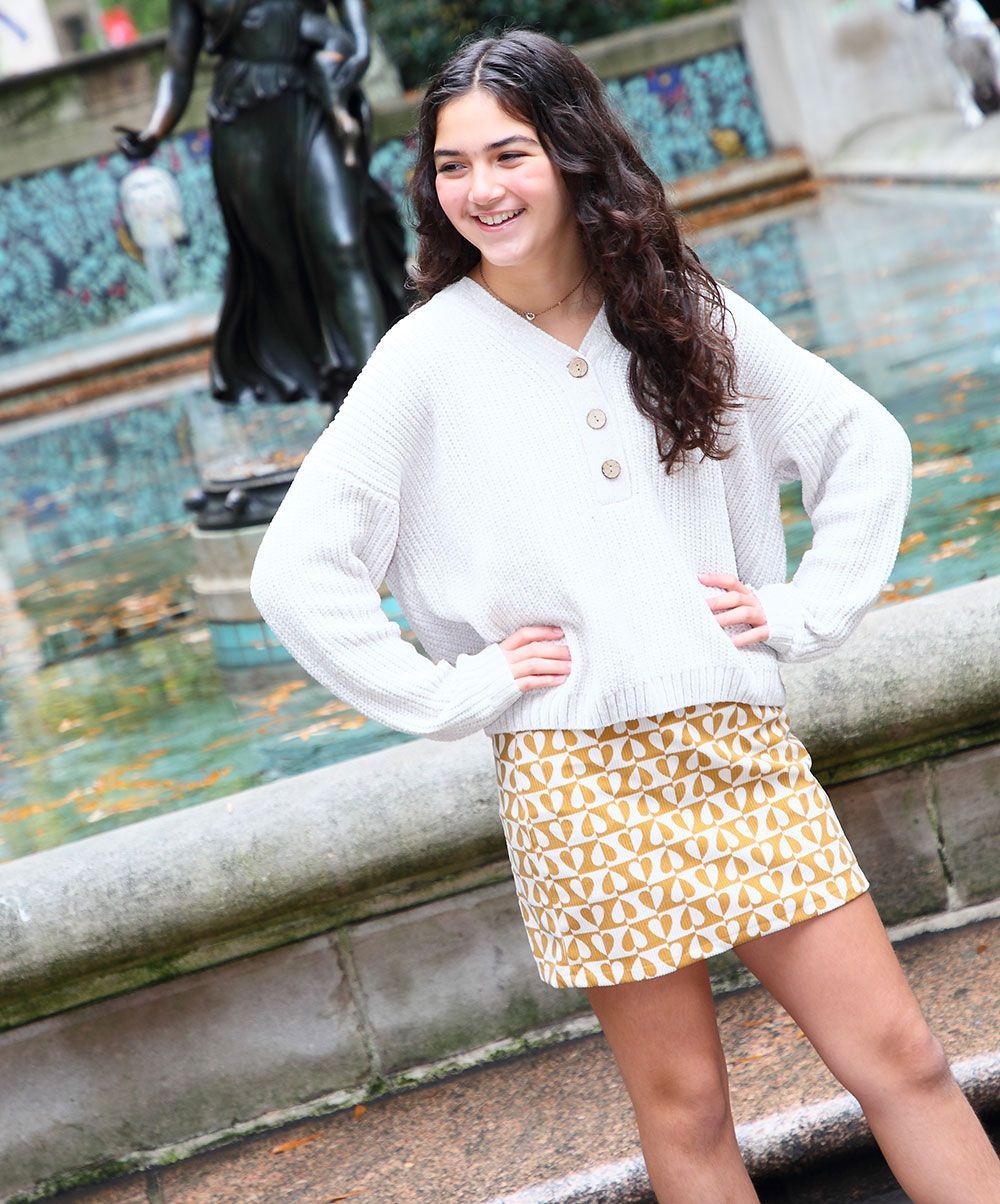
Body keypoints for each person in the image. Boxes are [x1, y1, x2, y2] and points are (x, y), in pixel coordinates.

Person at [249, 28, 1000, 1203]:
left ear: (573, 151)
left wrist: (803, 609)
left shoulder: (676, 304)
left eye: (509, 154)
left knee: (901, 1057)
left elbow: (863, 442)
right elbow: (296, 571)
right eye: (453, 167)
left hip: (734, 746)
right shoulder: (423, 360)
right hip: (575, 778)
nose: (481, 190)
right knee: (687, 1110)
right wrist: (457, 692)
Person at [117, 0, 407, 412]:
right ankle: (335, 383)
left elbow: (353, 26)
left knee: (343, 245)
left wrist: (355, 51)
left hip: (312, 101)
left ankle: (384, 400)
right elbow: (177, 68)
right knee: (280, 265)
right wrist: (155, 128)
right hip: (242, 117)